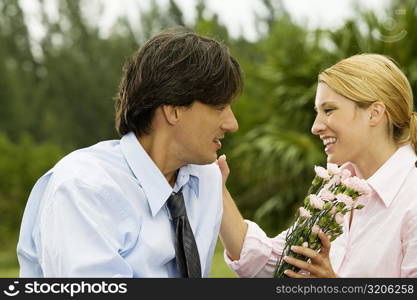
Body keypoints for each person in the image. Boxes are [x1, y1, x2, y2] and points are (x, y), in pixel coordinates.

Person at [17, 28, 242, 277]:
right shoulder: (83, 189)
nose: (232, 124)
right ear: (174, 110)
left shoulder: (205, 179)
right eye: (219, 107)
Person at [218, 53, 417, 278]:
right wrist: (218, 190)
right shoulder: (336, 188)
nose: (315, 127)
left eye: (329, 110)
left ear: (374, 113)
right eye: (317, 112)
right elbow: (279, 261)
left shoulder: (411, 199)